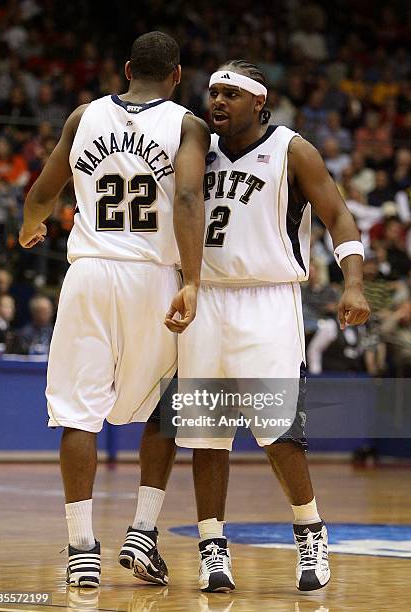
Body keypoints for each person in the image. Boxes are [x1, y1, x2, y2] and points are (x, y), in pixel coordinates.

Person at [128, 59, 371, 594]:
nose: (216, 101)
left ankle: (310, 530)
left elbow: (339, 216)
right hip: (205, 299)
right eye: (212, 92)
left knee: (279, 434)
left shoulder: (292, 149)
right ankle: (213, 548)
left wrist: (353, 282)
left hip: (268, 301)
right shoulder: (196, 147)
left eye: (230, 94)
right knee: (206, 437)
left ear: (259, 102)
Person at [18, 31, 210, 588]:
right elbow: (191, 200)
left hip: (88, 274)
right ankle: (143, 532)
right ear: (177, 77)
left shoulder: (84, 116)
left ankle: (81, 547)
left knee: (79, 413)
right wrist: (193, 280)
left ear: (127, 69)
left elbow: (43, 192)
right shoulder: (187, 124)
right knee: (166, 405)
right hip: (152, 278)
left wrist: (32, 226)